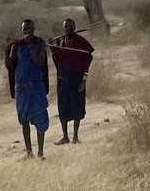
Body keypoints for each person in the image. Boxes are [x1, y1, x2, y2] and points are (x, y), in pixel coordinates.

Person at [5, 19, 49, 159]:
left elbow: (39, 62)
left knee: (40, 119)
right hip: (22, 89)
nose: (27, 31)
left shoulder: (39, 43)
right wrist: (7, 52)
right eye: (25, 29)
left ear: (34, 28)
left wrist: (30, 47)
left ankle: (41, 153)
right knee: (24, 121)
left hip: (36, 87)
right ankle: (29, 152)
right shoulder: (17, 46)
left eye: (29, 28)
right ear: (22, 30)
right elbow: (11, 66)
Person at [51, 18, 94, 145]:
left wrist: (84, 81)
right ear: (63, 28)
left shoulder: (80, 41)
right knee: (63, 107)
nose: (68, 28)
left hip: (76, 79)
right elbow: (58, 62)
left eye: (70, 26)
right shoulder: (61, 41)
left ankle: (75, 136)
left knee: (77, 107)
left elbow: (88, 59)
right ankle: (65, 137)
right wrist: (54, 51)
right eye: (66, 26)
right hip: (63, 79)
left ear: (74, 27)